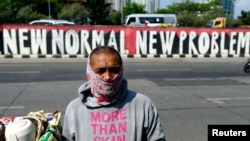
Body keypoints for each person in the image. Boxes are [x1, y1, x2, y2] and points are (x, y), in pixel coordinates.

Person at [62, 46, 166, 141]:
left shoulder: (142, 104)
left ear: (121, 69)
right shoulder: (75, 109)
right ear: (89, 72)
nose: (107, 77)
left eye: (113, 70)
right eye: (100, 71)